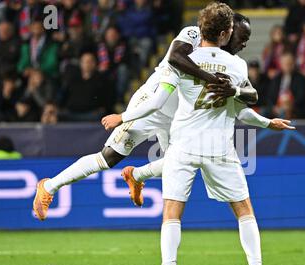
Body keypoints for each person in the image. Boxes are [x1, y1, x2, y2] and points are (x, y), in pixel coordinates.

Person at [113, 2, 293, 265]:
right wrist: (264, 122)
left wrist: (123, 116)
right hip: (219, 147)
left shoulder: (181, 60)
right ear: (225, 33)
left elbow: (158, 102)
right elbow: (242, 105)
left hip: (182, 146)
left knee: (172, 213)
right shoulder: (236, 66)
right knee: (244, 211)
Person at [32, 11, 267, 218]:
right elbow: (176, 57)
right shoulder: (194, 34)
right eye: (242, 37)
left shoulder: (229, 63)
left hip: (178, 116)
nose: (244, 43)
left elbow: (250, 94)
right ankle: (49, 186)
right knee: (108, 158)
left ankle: (137, 176)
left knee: (178, 162)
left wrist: (236, 91)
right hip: (151, 102)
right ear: (228, 31)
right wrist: (211, 80)